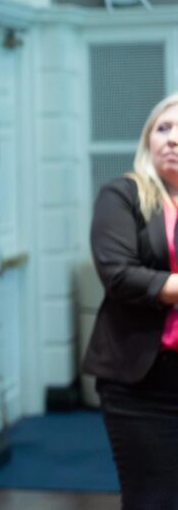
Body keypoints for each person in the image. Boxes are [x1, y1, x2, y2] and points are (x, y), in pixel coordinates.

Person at [84, 93, 178, 508]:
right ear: (147, 140)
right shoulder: (123, 194)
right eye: (163, 128)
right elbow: (120, 275)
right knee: (152, 499)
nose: (172, 139)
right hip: (143, 379)